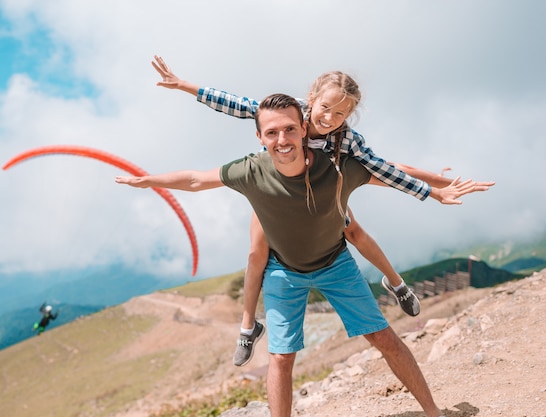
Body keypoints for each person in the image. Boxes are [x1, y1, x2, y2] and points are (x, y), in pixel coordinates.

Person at [116, 93, 493, 417]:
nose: (282, 139)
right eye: (272, 132)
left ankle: (433, 412)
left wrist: (441, 182)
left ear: (304, 128)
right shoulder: (251, 170)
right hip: (284, 273)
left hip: (336, 265)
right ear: (260, 137)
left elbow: (392, 171)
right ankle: (250, 330)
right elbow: (197, 179)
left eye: (289, 129)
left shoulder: (338, 167)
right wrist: (150, 180)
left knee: (385, 339)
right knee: (281, 358)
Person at [151, 56, 482, 367]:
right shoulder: (290, 115)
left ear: (349, 116)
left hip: (324, 190)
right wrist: (183, 85)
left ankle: (396, 285)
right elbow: (237, 104)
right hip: (279, 193)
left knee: (354, 232)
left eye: (340, 114)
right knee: (256, 254)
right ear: (311, 99)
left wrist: (435, 188)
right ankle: (248, 327)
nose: (329, 118)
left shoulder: (348, 140)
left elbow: (386, 168)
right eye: (325, 107)